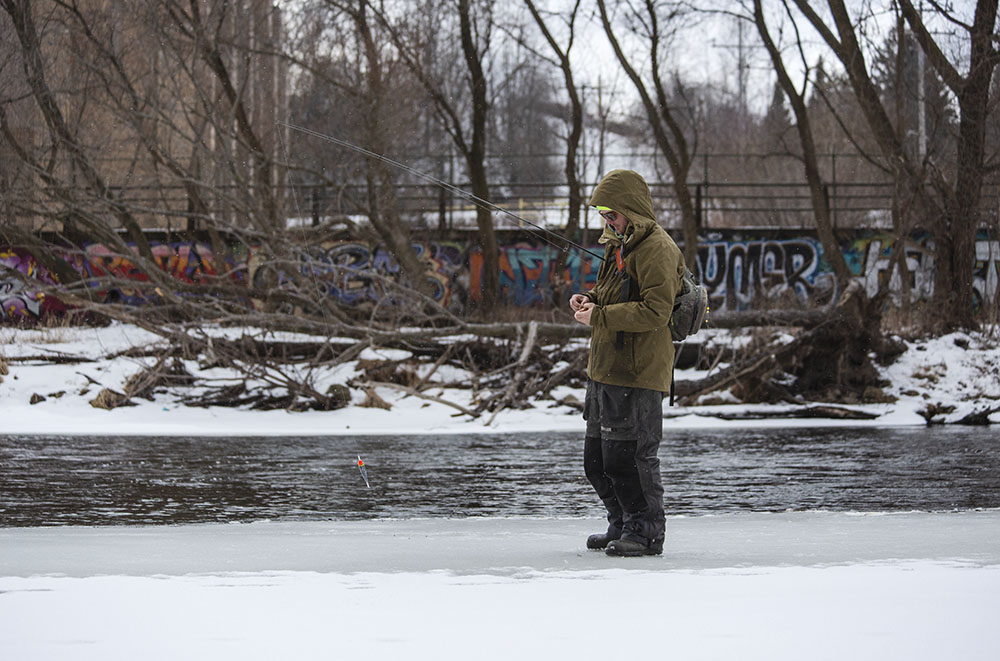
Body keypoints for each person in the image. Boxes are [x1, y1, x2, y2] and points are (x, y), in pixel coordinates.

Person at [569, 169, 685, 557]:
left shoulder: (659, 249)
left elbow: (655, 311)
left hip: (638, 373)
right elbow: (610, 294)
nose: (607, 221)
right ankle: (621, 522)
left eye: (612, 214)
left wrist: (599, 317)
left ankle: (646, 531)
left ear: (631, 212)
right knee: (597, 460)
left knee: (631, 459)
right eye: (603, 214)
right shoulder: (616, 246)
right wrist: (589, 299)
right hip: (603, 368)